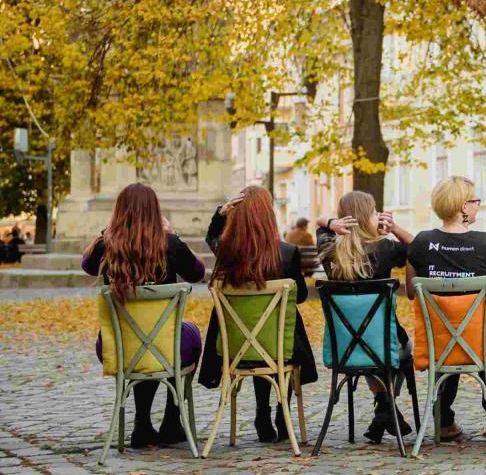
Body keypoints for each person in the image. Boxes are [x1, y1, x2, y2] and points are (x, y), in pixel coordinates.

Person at [82, 183, 206, 448]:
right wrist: (173, 235)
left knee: (144, 343)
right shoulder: (170, 244)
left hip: (117, 345)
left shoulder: (107, 246)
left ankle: (142, 422)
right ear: (154, 211)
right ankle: (171, 419)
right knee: (185, 336)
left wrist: (107, 233)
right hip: (167, 344)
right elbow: (197, 272)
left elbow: (87, 265)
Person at [198, 186, 316, 444]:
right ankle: (282, 413)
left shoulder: (227, 252)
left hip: (236, 346)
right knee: (280, 333)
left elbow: (211, 237)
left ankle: (262, 413)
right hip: (279, 346)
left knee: (261, 336)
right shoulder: (287, 253)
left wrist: (220, 215)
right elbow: (301, 296)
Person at [406, 176, 486, 442]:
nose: (477, 205)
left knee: (448, 331)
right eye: (475, 201)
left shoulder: (420, 243)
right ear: (463, 206)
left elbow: (411, 292)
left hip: (437, 342)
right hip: (482, 340)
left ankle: (443, 422)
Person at [315, 191, 416, 443]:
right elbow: (418, 247)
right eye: (374, 212)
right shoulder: (386, 248)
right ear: (366, 217)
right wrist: (393, 228)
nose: (377, 215)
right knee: (394, 348)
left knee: (368, 344)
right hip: (385, 345)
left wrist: (331, 223)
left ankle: (383, 405)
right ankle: (386, 405)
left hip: (344, 347)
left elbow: (320, 224)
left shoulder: (328, 248)